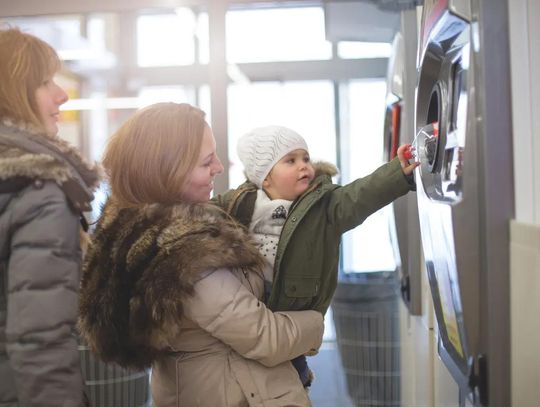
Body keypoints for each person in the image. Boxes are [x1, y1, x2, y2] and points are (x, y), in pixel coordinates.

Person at [78, 102, 324, 407]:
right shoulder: (184, 254)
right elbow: (265, 337)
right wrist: (317, 320)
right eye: (206, 162)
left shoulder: (132, 233)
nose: (219, 168)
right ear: (168, 170)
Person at [211, 125, 418, 386]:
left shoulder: (324, 206)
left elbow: (361, 195)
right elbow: (201, 213)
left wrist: (397, 173)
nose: (304, 166)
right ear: (265, 178)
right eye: (291, 160)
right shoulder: (239, 203)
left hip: (291, 319)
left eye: (306, 158)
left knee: (289, 385)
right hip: (249, 317)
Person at [0, 27, 101, 406]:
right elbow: (39, 341)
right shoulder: (38, 191)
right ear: (12, 95)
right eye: (45, 82)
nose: (62, 94)